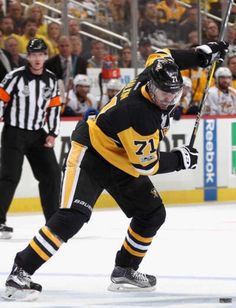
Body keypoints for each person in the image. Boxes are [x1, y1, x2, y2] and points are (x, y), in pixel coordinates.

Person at [2, 41, 228, 301]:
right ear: (151, 88)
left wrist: (200, 55)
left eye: (173, 94)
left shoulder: (153, 72)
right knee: (71, 217)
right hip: (92, 154)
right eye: (164, 94)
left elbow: (166, 55)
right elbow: (146, 164)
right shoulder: (140, 113)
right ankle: (20, 272)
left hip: (120, 158)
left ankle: (125, 269)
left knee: (152, 213)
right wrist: (179, 158)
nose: (169, 100)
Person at [0, 38, 62, 240]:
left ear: (46, 56)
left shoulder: (51, 79)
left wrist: (52, 133)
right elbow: (1, 99)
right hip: (14, 132)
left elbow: (53, 108)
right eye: (33, 55)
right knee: (10, 176)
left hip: (37, 133)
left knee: (52, 174)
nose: (37, 59)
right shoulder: (15, 76)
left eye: (41, 55)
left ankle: (53, 223)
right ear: (28, 56)